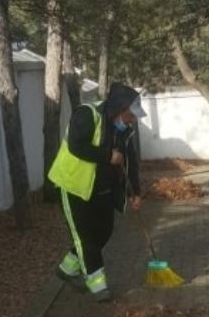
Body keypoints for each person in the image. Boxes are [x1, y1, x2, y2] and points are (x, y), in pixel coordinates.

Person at [49, 81, 145, 301]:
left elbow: (129, 160)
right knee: (86, 237)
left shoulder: (125, 130)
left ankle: (66, 269)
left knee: (104, 231)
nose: (133, 119)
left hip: (102, 189)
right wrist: (107, 156)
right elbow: (76, 146)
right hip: (73, 185)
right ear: (120, 109)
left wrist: (135, 192)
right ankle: (97, 283)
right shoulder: (86, 114)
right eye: (131, 114)